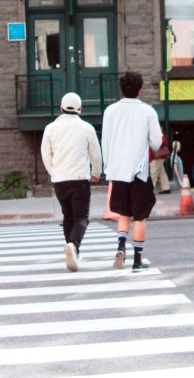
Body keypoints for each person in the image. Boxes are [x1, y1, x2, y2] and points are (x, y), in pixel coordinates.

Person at [101, 71, 162, 272]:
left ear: (121, 89)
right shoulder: (148, 112)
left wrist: (107, 167)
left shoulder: (110, 111)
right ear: (140, 90)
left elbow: (105, 142)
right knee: (140, 217)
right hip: (139, 171)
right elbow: (156, 142)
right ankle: (137, 260)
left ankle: (120, 247)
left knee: (124, 213)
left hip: (117, 171)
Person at [41, 92, 102, 273]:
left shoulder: (50, 128)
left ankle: (72, 249)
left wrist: (53, 171)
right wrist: (96, 172)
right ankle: (73, 246)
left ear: (61, 108)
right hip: (80, 178)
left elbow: (46, 154)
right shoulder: (87, 128)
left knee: (68, 216)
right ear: (80, 109)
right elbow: (96, 154)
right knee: (81, 217)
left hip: (60, 179)